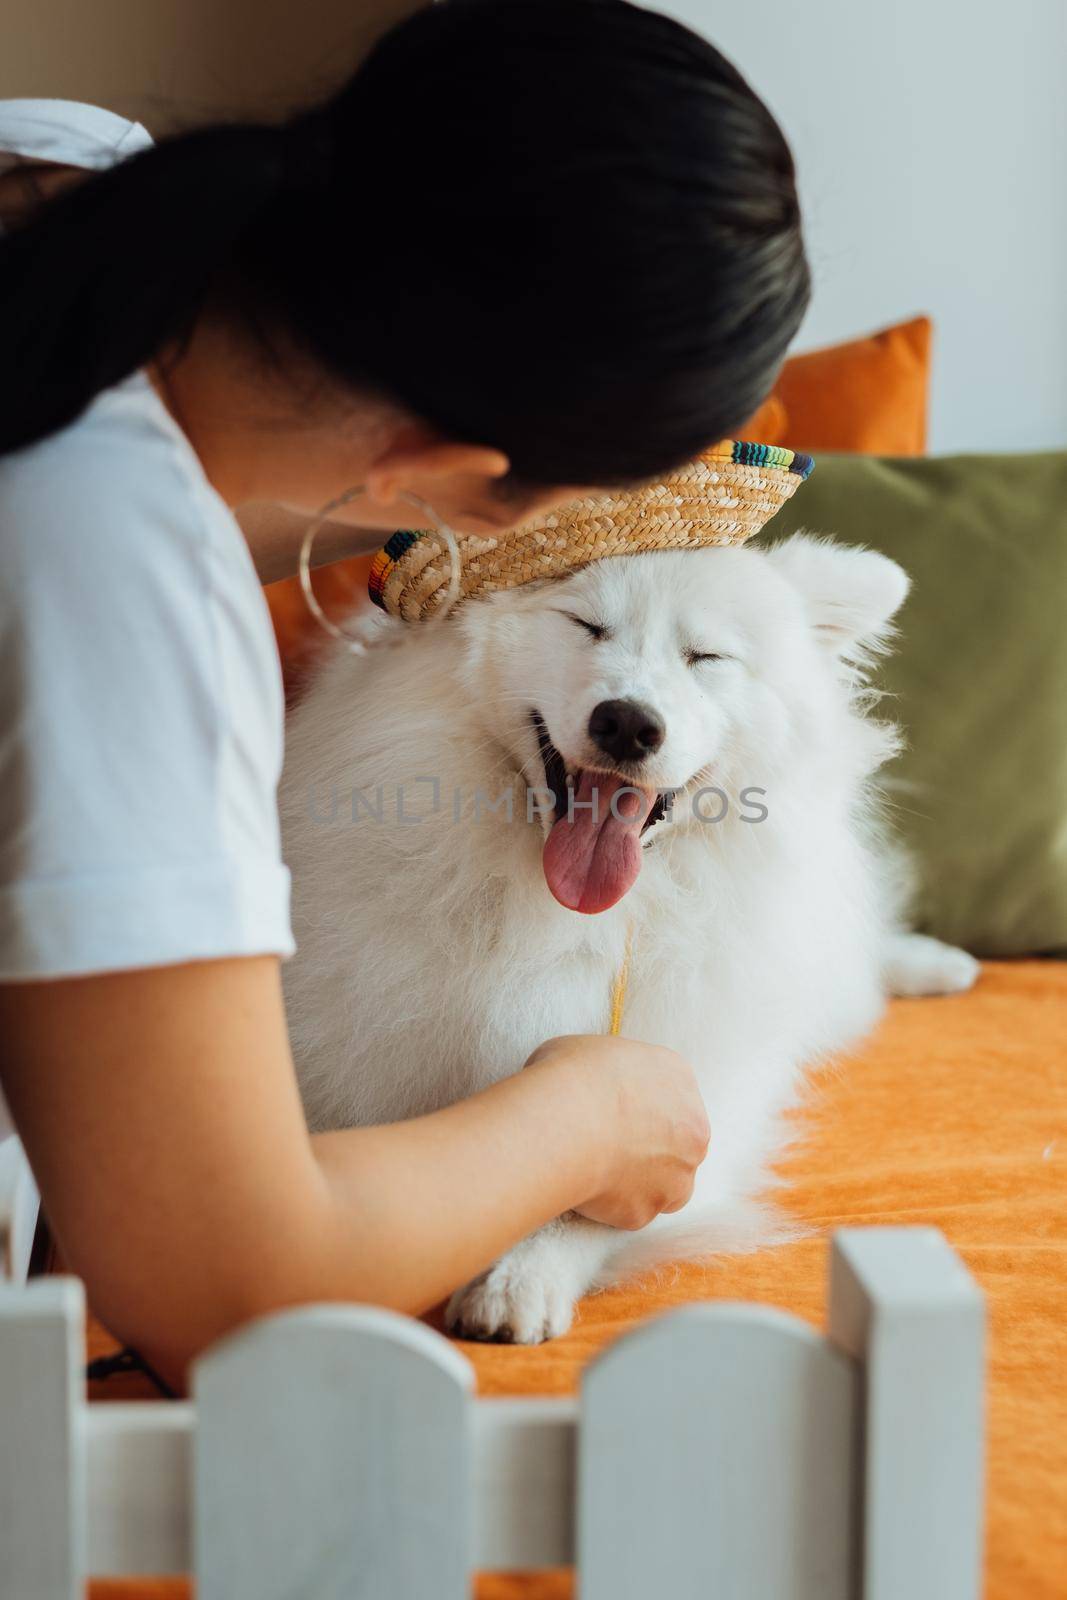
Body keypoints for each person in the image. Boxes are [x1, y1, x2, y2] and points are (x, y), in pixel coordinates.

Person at [0, 0, 808, 1382]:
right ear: (454, 484)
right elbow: (237, 1290)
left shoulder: (72, 173)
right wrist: (588, 1116)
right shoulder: (106, 545)